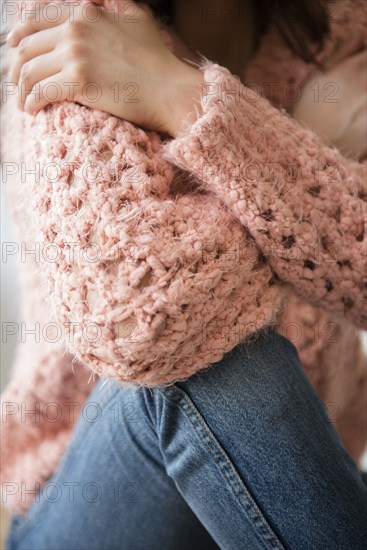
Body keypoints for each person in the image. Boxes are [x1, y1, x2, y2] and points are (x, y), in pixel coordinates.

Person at [1, 0, 367, 548]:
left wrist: (182, 96)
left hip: (291, 490)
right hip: (99, 505)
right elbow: (138, 320)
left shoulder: (344, 25)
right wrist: (304, 142)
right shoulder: (73, 25)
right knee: (205, 364)